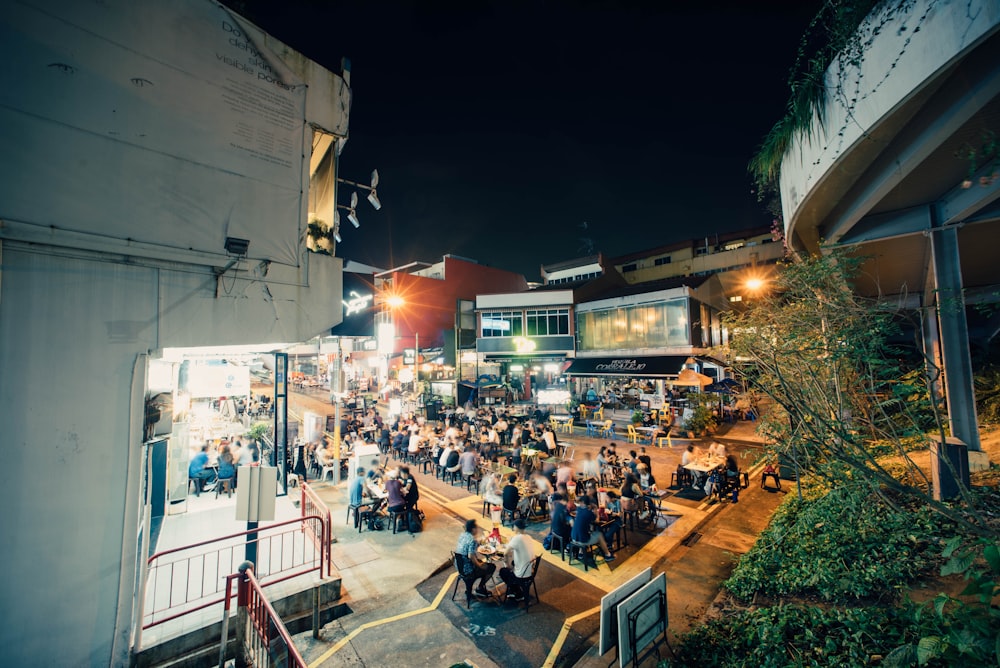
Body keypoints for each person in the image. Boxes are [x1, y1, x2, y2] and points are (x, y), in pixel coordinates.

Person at [499, 518, 538, 601]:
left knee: (503, 571)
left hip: (522, 575)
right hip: (530, 571)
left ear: (516, 527)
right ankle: (515, 591)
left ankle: (517, 591)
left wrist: (508, 565)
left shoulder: (517, 538)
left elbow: (505, 552)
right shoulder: (528, 537)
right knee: (514, 563)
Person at [455, 519, 495, 598]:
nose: (477, 529)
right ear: (473, 529)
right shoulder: (472, 540)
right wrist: (480, 565)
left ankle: (475, 589)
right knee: (490, 567)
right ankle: (480, 588)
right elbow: (471, 556)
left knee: (482, 563)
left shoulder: (462, 535)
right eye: (476, 527)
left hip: (459, 566)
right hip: (468, 570)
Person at [571, 496, 615, 564]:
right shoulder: (589, 513)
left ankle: (581, 553)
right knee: (599, 535)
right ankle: (608, 555)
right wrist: (596, 511)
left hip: (573, 537)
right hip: (582, 540)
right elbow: (597, 521)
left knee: (583, 531)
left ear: (582, 503)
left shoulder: (579, 509)